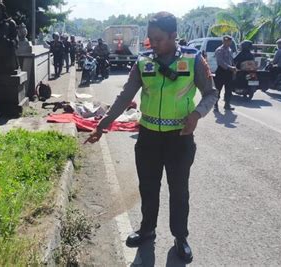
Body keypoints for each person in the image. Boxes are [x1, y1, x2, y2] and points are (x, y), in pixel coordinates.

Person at [85, 12, 218, 263]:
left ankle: (180, 237)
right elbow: (125, 96)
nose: (152, 44)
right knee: (148, 187)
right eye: (150, 39)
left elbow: (211, 94)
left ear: (173, 36)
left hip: (179, 138)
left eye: (157, 39)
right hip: (147, 137)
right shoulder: (143, 61)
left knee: (179, 191)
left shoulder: (193, 59)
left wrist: (197, 114)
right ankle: (147, 230)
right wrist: (103, 124)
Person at [214, 35, 236, 111]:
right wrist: (231, 67)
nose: (228, 43)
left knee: (228, 89)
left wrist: (234, 67)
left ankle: (227, 104)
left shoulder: (230, 50)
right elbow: (221, 62)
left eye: (229, 41)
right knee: (218, 89)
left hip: (229, 72)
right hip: (221, 72)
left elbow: (231, 60)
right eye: (226, 41)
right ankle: (215, 105)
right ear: (223, 41)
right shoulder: (219, 50)